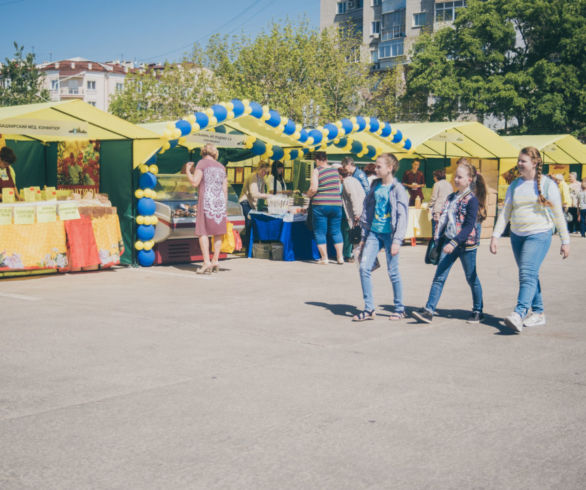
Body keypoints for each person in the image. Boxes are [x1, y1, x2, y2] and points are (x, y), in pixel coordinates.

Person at [490, 147, 570, 333]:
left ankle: (519, 313)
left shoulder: (548, 185)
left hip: (539, 234)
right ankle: (539, 313)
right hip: (517, 236)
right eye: (518, 160)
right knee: (530, 274)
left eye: (523, 161)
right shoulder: (515, 185)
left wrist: (565, 241)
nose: (519, 163)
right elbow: (506, 212)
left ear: (534, 163)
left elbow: (558, 215)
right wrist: (495, 236)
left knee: (526, 273)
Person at [412, 158, 487, 324]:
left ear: (469, 179)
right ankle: (429, 310)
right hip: (448, 243)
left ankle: (478, 310)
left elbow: (468, 227)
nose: (456, 179)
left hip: (465, 245)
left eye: (460, 177)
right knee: (439, 277)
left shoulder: (472, 200)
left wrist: (454, 242)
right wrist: (439, 237)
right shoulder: (451, 197)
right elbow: (446, 220)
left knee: (471, 278)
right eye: (455, 176)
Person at [352, 153, 409, 322]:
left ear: (390, 168)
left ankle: (400, 308)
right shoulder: (375, 186)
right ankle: (369, 309)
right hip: (374, 233)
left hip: (390, 235)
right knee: (363, 267)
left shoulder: (398, 189)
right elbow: (368, 211)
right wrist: (364, 236)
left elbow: (402, 215)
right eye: (376, 166)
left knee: (393, 271)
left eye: (379, 166)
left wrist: (397, 240)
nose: (375, 169)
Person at [185, 143, 228, 274]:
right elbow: (224, 189)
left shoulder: (202, 163)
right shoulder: (221, 167)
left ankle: (206, 262)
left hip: (207, 201)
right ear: (215, 153)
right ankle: (215, 260)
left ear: (203, 153)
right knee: (218, 232)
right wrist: (223, 205)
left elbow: (194, 182)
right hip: (220, 202)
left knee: (202, 231)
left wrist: (187, 170)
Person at [306, 151, 344, 265]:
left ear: (317, 160)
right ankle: (340, 257)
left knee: (320, 232)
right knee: (336, 231)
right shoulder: (335, 171)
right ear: (326, 159)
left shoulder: (317, 171)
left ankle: (324, 258)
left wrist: (307, 195)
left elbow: (313, 188)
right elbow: (338, 187)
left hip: (321, 205)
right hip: (336, 204)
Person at [239, 161, 271, 249]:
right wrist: (268, 196)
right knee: (249, 223)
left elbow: (262, 193)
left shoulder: (262, 179)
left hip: (253, 204)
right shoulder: (253, 176)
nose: (264, 173)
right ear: (259, 169)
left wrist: (269, 202)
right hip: (245, 202)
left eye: (266, 172)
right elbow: (254, 194)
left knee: (253, 223)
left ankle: (250, 246)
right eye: (263, 171)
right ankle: (247, 247)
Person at [338, 166, 366, 263]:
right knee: (352, 232)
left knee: (348, 232)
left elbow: (353, 197)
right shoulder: (354, 180)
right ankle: (352, 253)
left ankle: (348, 254)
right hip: (359, 209)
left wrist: (356, 213)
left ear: (340, 176)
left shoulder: (346, 182)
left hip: (351, 212)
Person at [428, 168, 453, 237]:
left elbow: (433, 198)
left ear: (436, 177)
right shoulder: (449, 184)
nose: (433, 178)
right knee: (444, 229)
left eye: (434, 176)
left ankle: (435, 245)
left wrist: (429, 206)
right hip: (447, 209)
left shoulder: (437, 184)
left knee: (435, 230)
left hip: (438, 210)